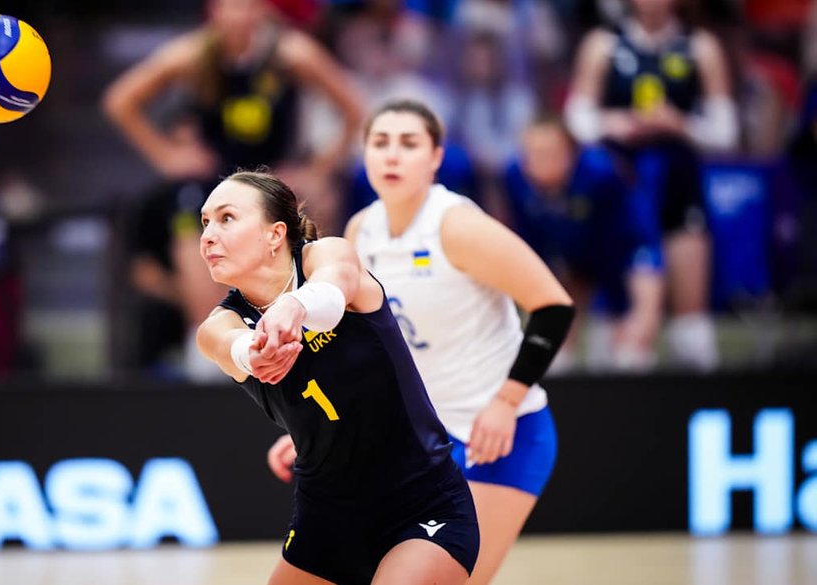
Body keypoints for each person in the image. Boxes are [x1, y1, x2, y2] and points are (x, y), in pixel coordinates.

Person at [267, 100, 575, 585]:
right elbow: (358, 350)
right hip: (420, 441)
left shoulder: (456, 226)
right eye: (380, 143)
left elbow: (554, 307)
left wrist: (505, 402)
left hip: (499, 437)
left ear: (435, 157)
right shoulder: (362, 230)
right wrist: (313, 428)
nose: (392, 155)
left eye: (409, 144)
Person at [197, 169, 478, 584]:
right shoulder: (219, 325)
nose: (207, 236)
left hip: (422, 505)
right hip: (326, 522)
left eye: (226, 218)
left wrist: (294, 307)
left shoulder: (326, 255)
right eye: (205, 222)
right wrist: (255, 354)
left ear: (275, 234)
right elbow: (231, 346)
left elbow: (332, 291)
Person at [103, 0, 362, 381]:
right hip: (212, 183)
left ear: (262, 10)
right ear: (214, 11)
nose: (238, 14)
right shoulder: (193, 54)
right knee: (194, 227)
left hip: (272, 179)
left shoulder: (290, 53)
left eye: (247, 6)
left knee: (316, 207)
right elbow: (120, 100)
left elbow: (354, 107)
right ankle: (208, 353)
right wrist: (167, 155)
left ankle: (313, 340)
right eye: (230, 6)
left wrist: (317, 169)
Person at [564, 0, 738, 370]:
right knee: (617, 303)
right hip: (620, 183)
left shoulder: (700, 46)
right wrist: (615, 123)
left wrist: (680, 124)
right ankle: (614, 372)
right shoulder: (603, 44)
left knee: (691, 316)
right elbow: (577, 118)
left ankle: (696, 383)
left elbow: (725, 131)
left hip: (678, 180)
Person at [504, 117, 663, 371]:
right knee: (551, 347)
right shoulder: (514, 177)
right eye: (531, 153)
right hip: (571, 259)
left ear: (572, 154)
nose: (539, 161)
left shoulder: (602, 175)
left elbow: (628, 243)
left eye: (550, 152)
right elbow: (531, 247)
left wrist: (630, 313)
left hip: (626, 255)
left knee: (628, 349)